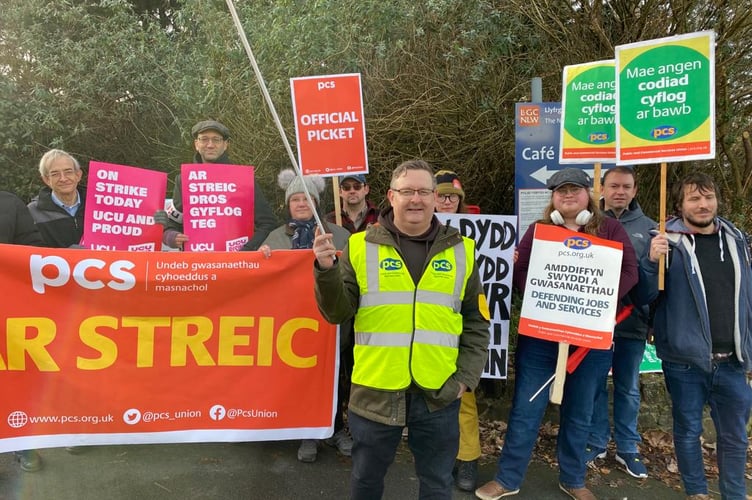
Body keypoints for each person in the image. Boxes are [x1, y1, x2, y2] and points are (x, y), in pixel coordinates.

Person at [313, 159, 490, 499]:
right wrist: (325, 270)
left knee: (437, 485)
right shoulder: (359, 246)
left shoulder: (462, 250)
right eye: (407, 191)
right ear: (391, 196)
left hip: (439, 393)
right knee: (366, 482)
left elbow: (476, 323)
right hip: (375, 391)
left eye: (425, 191)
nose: (416, 199)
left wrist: (465, 380)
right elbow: (337, 313)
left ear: (435, 198)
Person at [476, 168, 638, 500]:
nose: (567, 195)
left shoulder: (610, 228)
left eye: (574, 190)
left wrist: (599, 300)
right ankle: (508, 478)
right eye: (560, 191)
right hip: (541, 338)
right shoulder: (539, 231)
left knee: (580, 412)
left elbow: (630, 271)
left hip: (590, 342)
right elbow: (520, 272)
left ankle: (573, 479)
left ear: (587, 195)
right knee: (525, 408)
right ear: (552, 197)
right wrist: (538, 294)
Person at [639, 172, 752, 500]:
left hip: (732, 360)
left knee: (735, 437)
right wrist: (650, 262)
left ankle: (733, 493)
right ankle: (696, 492)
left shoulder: (737, 241)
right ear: (679, 204)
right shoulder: (665, 242)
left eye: (708, 197)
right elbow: (643, 298)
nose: (703, 204)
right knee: (688, 432)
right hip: (684, 360)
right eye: (694, 198)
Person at [258, 169, 352, 463]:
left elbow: (352, 274)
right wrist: (261, 260)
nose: (300, 203)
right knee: (300, 377)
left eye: (307, 198)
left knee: (335, 376)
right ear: (288, 204)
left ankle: (335, 427)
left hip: (330, 320)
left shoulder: (340, 235)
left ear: (316, 202)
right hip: (293, 324)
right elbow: (261, 282)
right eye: (295, 199)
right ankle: (307, 432)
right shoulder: (274, 237)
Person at [584, 166, 656, 479]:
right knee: (595, 385)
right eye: (614, 186)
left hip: (632, 323)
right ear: (602, 188)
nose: (620, 192)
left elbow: (654, 282)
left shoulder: (651, 228)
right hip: (592, 322)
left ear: (635, 190)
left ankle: (628, 447)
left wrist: (652, 318)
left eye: (626, 186)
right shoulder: (588, 222)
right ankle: (596, 440)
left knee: (627, 387)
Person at [433, 169, 482, 492]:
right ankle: (442, 457)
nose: (448, 200)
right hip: (433, 325)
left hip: (466, 318)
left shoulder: (481, 230)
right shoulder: (416, 227)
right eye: (442, 195)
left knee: (465, 395)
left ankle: (468, 458)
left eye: (453, 196)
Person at [161, 120, 277, 250]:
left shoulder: (242, 178)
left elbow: (268, 223)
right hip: (196, 264)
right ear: (196, 144)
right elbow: (172, 220)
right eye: (204, 139)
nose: (210, 145)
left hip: (236, 265)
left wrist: (247, 250)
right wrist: (170, 236)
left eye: (216, 140)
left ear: (225, 145)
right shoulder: (183, 180)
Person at [0, 191, 45, 472]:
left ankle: (20, 442)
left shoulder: (9, 203)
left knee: (12, 375)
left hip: (5, 306)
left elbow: (32, 248)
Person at [27, 149, 86, 247]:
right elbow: (30, 255)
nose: (63, 178)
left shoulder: (100, 206)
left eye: (68, 172)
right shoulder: (33, 212)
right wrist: (67, 255)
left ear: (78, 175)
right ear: (46, 180)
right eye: (55, 174)